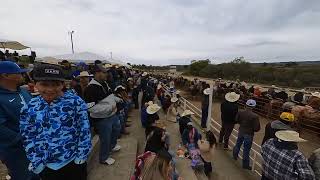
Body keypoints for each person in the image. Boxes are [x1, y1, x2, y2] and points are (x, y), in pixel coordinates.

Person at [20, 64, 91, 180]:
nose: (50, 89)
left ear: (62, 84)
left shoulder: (75, 102)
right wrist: (36, 162)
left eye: (56, 84)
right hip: (46, 165)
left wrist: (81, 157)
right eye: (44, 84)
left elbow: (84, 130)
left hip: (73, 162)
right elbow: (27, 135)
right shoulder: (29, 107)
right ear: (35, 84)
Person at [0, 61, 39, 180]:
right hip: (16, 152)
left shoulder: (24, 91)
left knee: (37, 175)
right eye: (18, 73)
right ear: (5, 75)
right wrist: (23, 139)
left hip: (35, 146)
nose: (23, 75)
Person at [84, 66, 121, 165]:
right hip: (102, 119)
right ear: (97, 73)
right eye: (104, 72)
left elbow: (110, 96)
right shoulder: (90, 89)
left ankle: (112, 146)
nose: (107, 74)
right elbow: (90, 108)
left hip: (112, 115)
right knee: (105, 138)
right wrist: (110, 108)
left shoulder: (104, 83)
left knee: (117, 129)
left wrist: (117, 99)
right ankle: (104, 158)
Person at [233, 99, 260, 170]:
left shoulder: (240, 112)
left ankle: (235, 155)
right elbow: (257, 128)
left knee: (238, 144)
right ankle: (245, 165)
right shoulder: (255, 116)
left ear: (246, 105)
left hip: (241, 130)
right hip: (249, 133)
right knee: (246, 149)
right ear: (254, 106)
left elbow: (236, 120)